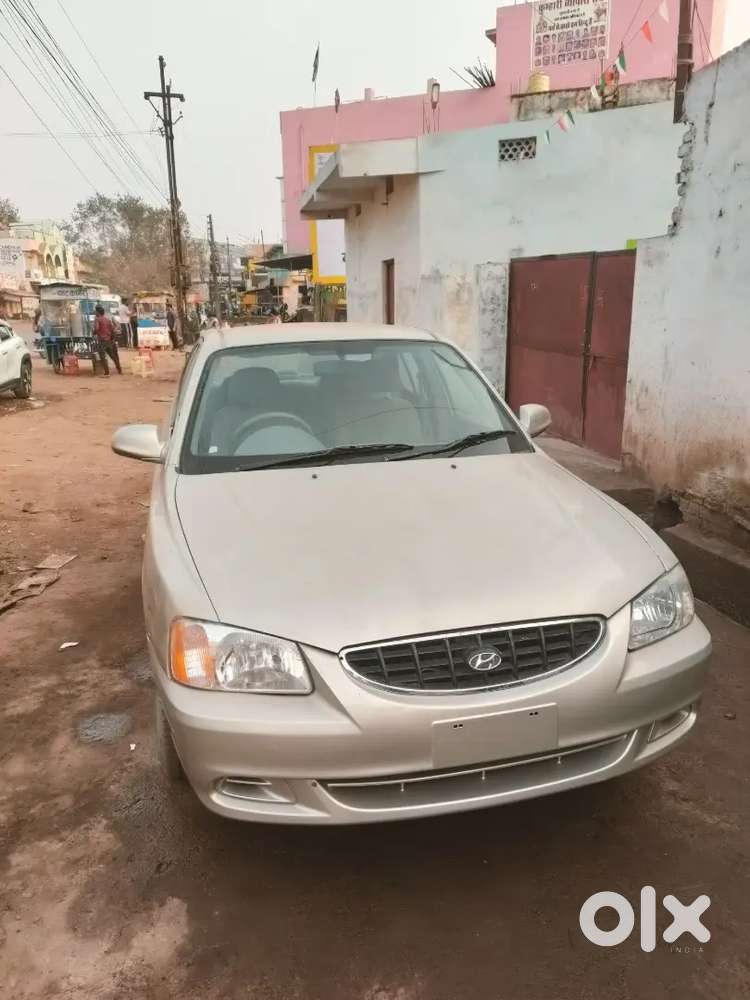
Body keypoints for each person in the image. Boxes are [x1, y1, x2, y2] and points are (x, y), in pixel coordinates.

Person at [93, 304, 122, 375]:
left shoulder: (97, 319)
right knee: (112, 356)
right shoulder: (107, 320)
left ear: (98, 312)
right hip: (108, 340)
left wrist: (93, 332)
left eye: (95, 312)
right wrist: (112, 339)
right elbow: (112, 330)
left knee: (102, 356)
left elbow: (96, 329)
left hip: (102, 340)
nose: (95, 313)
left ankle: (107, 372)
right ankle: (119, 369)